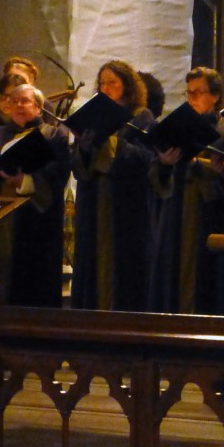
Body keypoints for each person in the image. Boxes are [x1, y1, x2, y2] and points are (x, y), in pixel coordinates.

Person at [0, 83, 71, 307]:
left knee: (30, 286)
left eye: (25, 101)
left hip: (34, 222)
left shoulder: (53, 134)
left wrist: (24, 181)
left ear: (38, 107)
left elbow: (59, 172)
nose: (18, 106)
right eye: (14, 101)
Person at [149, 67, 224, 313]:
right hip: (175, 209)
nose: (192, 98)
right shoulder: (179, 123)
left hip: (209, 214)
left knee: (205, 277)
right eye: (188, 93)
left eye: (198, 93)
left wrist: (212, 168)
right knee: (172, 271)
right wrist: (165, 163)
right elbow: (157, 173)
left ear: (215, 96)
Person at [70, 59, 156, 311]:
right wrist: (84, 147)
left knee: (125, 271)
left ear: (127, 87)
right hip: (94, 203)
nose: (106, 88)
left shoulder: (141, 117)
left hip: (126, 207)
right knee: (93, 266)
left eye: (113, 83)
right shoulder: (92, 114)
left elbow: (145, 158)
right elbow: (78, 166)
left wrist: (111, 142)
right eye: (103, 83)